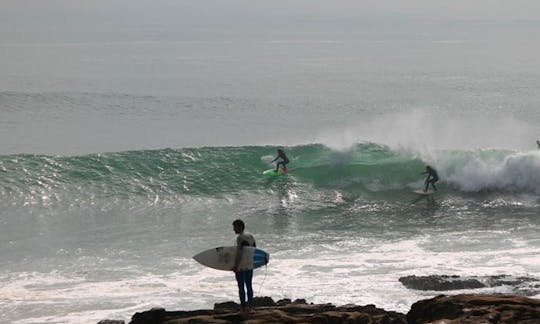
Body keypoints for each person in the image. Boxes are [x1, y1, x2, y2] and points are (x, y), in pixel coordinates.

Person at [232, 219, 256, 312]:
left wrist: (235, 266)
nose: (233, 229)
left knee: (241, 286)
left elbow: (239, 253)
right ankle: (250, 305)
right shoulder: (250, 236)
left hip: (241, 266)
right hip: (249, 264)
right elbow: (254, 250)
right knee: (249, 285)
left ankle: (243, 307)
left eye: (234, 227)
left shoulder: (240, 238)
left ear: (239, 227)